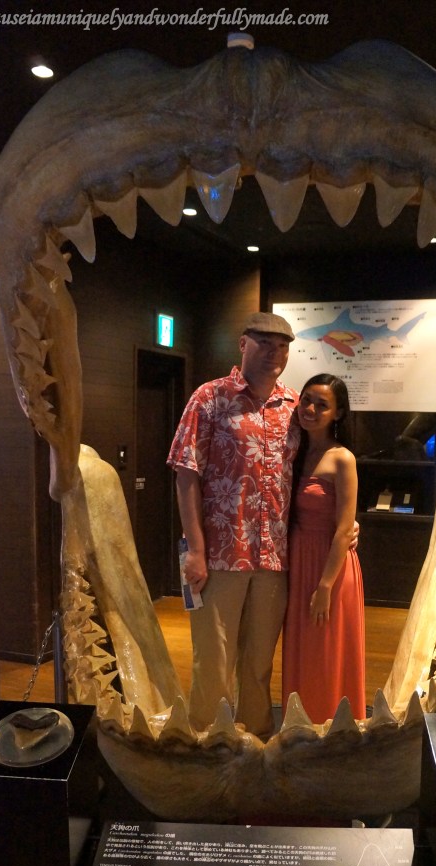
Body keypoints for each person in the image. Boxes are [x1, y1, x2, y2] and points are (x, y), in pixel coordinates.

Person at [167, 311, 300, 739]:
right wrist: (196, 551)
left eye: (282, 346)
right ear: (243, 344)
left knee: (260, 662)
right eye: (264, 343)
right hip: (220, 556)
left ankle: (257, 744)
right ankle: (209, 745)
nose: (274, 354)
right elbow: (186, 473)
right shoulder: (209, 399)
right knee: (214, 661)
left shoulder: (293, 407)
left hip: (273, 557)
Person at [282, 373, 366, 723]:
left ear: (338, 413)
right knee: (302, 650)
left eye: (322, 405)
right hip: (299, 561)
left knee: (327, 652)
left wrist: (325, 586)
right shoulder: (294, 451)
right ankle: (299, 729)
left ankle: (332, 728)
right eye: (307, 400)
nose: (311, 409)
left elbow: (345, 527)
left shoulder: (342, 458)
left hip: (329, 567)